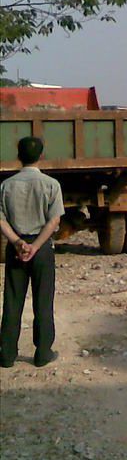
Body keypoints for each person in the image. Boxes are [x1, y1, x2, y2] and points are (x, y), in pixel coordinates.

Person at [0, 137, 64, 368]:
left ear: (18, 156)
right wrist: (35, 246)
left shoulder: (6, 185)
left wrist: (18, 242)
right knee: (43, 301)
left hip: (15, 249)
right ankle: (43, 352)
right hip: (42, 249)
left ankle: (6, 354)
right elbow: (54, 220)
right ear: (41, 156)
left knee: (12, 301)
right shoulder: (51, 184)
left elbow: (0, 219)